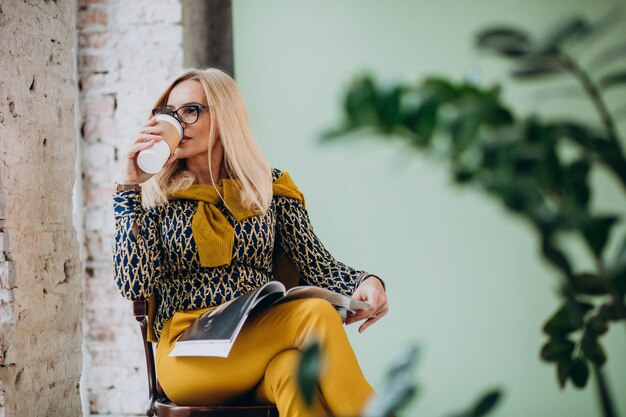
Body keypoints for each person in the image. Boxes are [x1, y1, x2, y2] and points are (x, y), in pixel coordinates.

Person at [113, 67, 389, 417]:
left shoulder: (268, 187)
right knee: (316, 315)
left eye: (190, 111)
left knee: (290, 371)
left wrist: (366, 281)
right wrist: (129, 186)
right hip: (187, 352)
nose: (178, 123)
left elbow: (315, 261)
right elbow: (133, 283)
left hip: (257, 332)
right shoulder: (153, 197)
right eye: (169, 113)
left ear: (224, 114)